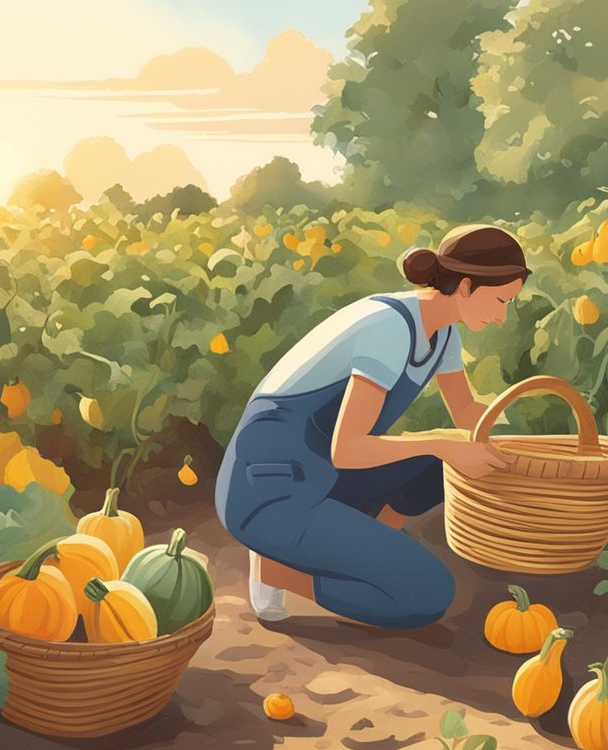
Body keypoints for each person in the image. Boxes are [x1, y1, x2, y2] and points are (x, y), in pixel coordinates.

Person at [214, 224, 530, 628]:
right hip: (268, 492)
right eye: (501, 300)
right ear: (466, 286)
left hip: (321, 475)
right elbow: (347, 449)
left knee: (442, 464)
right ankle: (280, 571)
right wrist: (437, 444)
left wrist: (526, 443)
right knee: (426, 593)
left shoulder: (442, 331)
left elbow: (467, 412)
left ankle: (360, 550)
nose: (503, 316)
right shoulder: (389, 327)